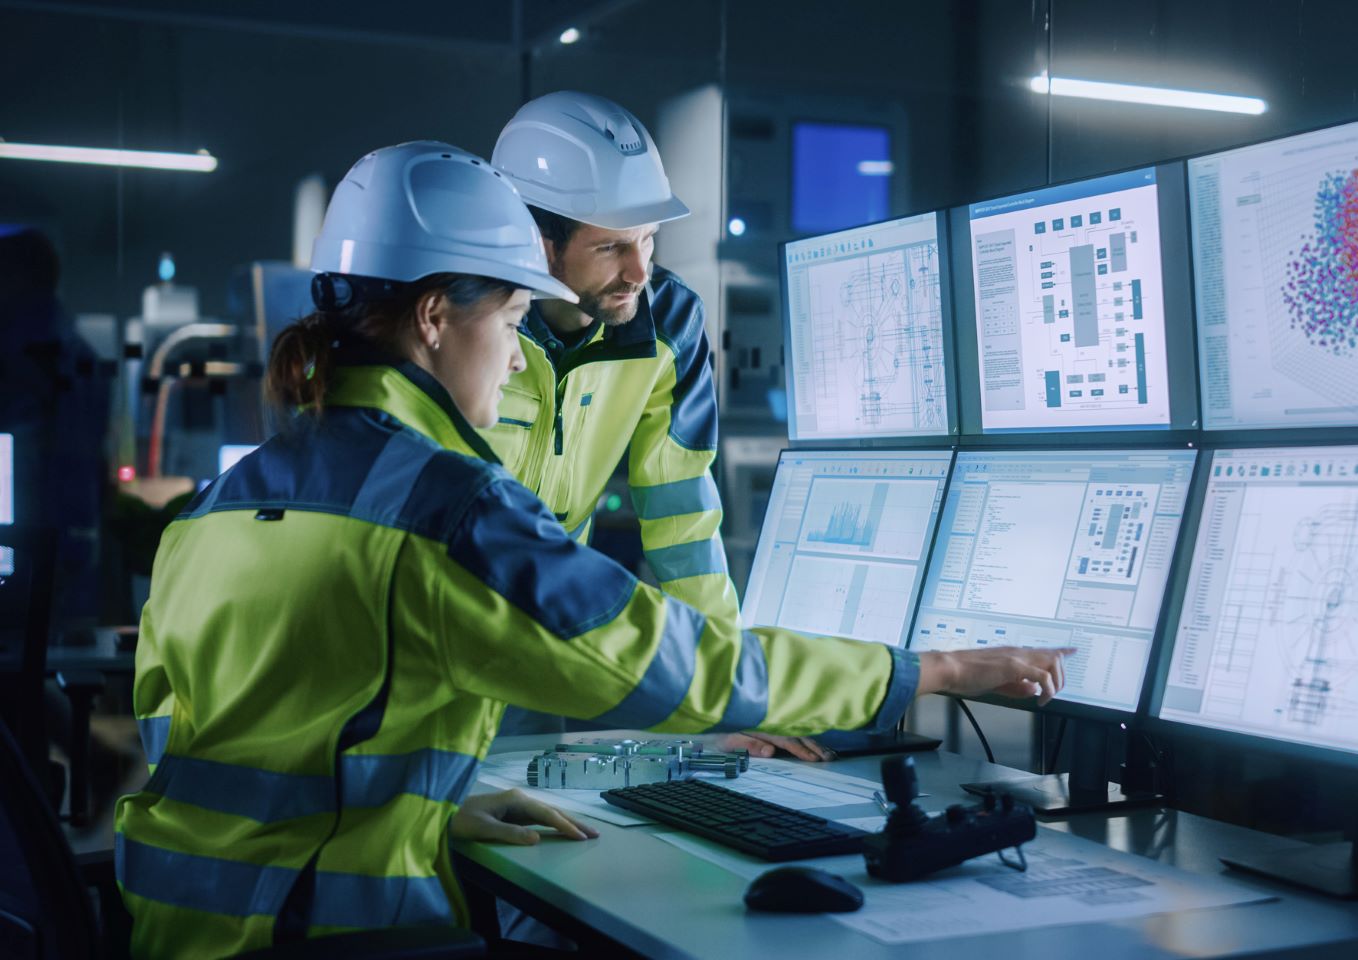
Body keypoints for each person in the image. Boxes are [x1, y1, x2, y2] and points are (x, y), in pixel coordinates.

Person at [114, 140, 1072, 959]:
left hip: (176, 925)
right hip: (332, 928)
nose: (516, 354)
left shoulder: (220, 506)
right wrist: (931, 669)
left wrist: (432, 814)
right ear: (437, 317)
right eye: (513, 321)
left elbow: (213, 742)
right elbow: (668, 662)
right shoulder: (444, 506)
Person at [487, 92, 827, 759]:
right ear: (536, 240)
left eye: (649, 239)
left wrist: (727, 695)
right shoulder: (470, 321)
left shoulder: (668, 321)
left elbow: (682, 523)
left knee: (512, 828)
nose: (639, 271)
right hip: (426, 637)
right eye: (612, 246)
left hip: (534, 649)